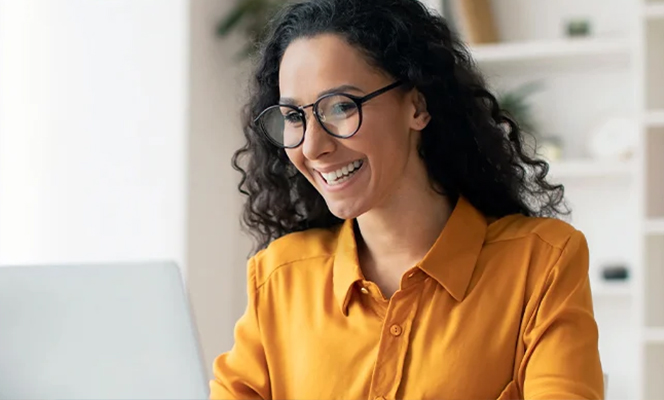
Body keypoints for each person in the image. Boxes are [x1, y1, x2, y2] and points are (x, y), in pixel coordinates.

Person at [210, 0, 604, 399]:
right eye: (295, 117)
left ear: (416, 106)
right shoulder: (280, 276)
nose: (313, 146)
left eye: (341, 107)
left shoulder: (541, 265)